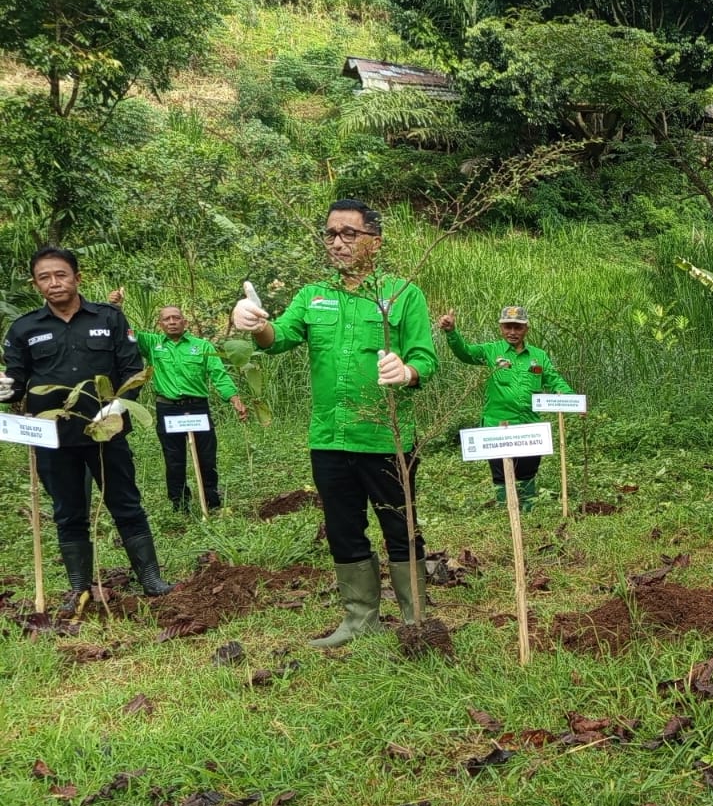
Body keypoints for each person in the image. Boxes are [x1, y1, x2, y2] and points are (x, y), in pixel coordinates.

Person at [230, 199, 437, 647]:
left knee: (400, 525)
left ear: (375, 243)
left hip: (386, 438)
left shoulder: (403, 295)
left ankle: (415, 618)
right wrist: (253, 323)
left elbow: (425, 358)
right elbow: (278, 338)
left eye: (349, 234)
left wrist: (407, 371)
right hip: (329, 436)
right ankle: (360, 618)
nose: (337, 243)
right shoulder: (312, 296)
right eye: (330, 234)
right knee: (343, 527)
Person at [0, 247, 172, 609]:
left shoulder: (109, 318)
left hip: (105, 431)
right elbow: (15, 382)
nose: (54, 283)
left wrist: (119, 404)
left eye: (60, 274)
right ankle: (79, 587)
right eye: (44, 277)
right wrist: (6, 388)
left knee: (125, 503)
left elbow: (131, 369)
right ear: (36, 284)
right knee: (68, 511)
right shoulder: (24, 328)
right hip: (53, 438)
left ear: (77, 278)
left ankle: (151, 579)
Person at [109, 293, 247, 512]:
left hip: (197, 408)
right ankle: (179, 503)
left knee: (206, 457)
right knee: (174, 459)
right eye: (167, 319)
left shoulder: (202, 346)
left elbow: (218, 374)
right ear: (160, 324)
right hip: (168, 409)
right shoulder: (152, 344)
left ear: (185, 322)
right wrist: (116, 307)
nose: (172, 322)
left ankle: (210, 500)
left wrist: (234, 398)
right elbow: (126, 333)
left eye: (176, 318)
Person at [439, 304, 574, 511]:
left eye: (517, 327)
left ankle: (527, 511)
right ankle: (505, 511)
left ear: (526, 328)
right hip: (497, 426)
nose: (512, 332)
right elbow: (465, 353)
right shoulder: (491, 351)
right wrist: (451, 332)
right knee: (501, 474)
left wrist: (574, 402)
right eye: (507, 327)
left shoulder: (538, 356)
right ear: (501, 328)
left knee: (528, 472)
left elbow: (555, 381)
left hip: (529, 427)